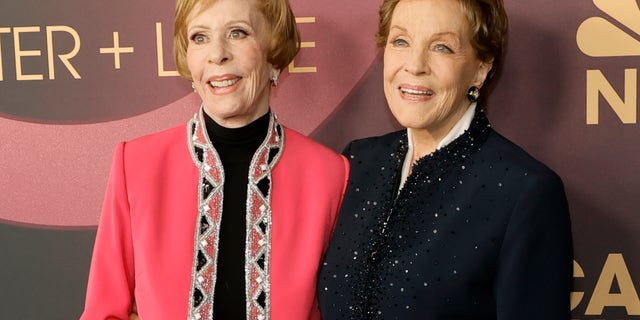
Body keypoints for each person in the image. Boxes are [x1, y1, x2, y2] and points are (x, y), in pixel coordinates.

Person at [80, 0, 348, 318]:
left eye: (237, 33)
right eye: (200, 37)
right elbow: (104, 312)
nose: (216, 53)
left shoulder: (330, 175)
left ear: (274, 55)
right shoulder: (135, 164)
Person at [317, 0, 573, 319]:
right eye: (400, 41)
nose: (415, 65)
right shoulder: (358, 162)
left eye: (441, 47)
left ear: (481, 67)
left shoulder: (524, 192)